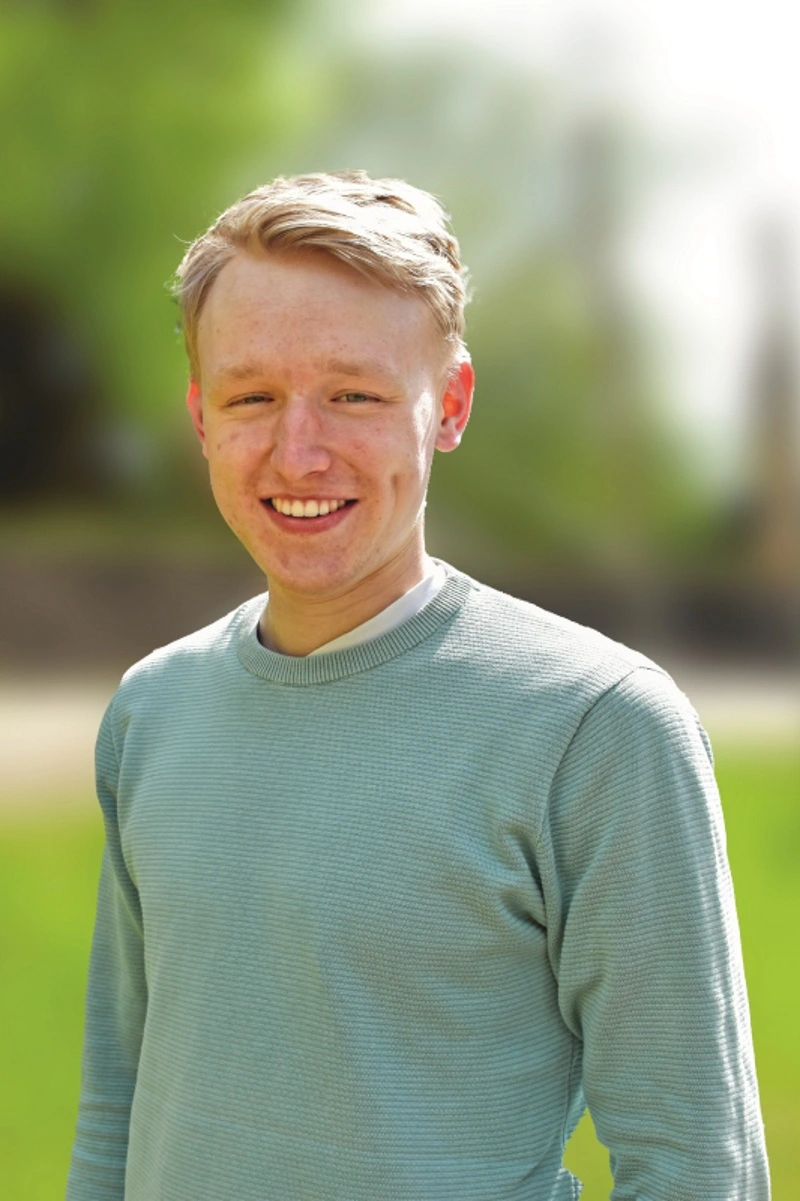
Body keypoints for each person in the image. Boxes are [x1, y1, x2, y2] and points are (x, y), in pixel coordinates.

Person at [66, 171, 770, 1200]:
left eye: (351, 394)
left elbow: (693, 1166)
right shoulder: (152, 712)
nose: (295, 449)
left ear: (448, 404)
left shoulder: (599, 727)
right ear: (201, 417)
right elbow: (117, 1111)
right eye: (251, 395)